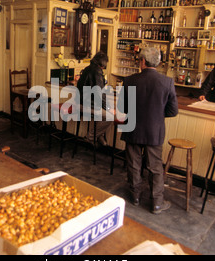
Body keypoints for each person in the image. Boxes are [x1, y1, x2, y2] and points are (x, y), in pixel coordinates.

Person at [118, 47, 179, 214]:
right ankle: (157, 202)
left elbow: (122, 107)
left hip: (133, 128)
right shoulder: (167, 82)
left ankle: (135, 195)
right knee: (155, 167)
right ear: (158, 63)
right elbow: (173, 111)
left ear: (142, 61)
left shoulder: (129, 80)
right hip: (154, 129)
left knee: (134, 163)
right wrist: (157, 114)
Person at [77, 51, 114, 146]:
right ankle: (90, 137)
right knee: (109, 116)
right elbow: (99, 94)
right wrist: (109, 108)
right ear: (103, 64)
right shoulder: (97, 72)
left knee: (103, 115)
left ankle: (98, 135)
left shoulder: (87, 69)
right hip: (86, 105)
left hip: (80, 102)